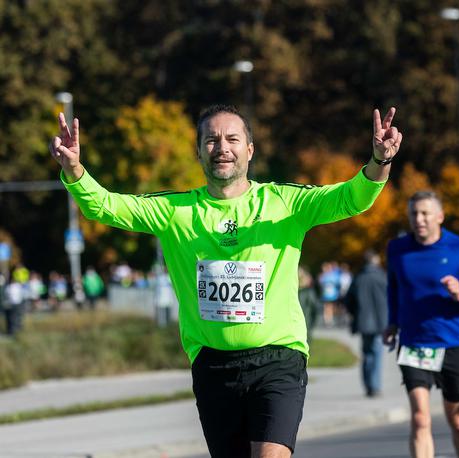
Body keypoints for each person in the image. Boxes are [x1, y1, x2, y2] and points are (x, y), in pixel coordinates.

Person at [49, 104, 402, 458]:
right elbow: (106, 207)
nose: (222, 148)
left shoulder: (286, 202)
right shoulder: (175, 211)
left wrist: (379, 161)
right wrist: (75, 170)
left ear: (249, 149)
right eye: (211, 140)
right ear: (199, 151)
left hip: (278, 358)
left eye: (232, 139)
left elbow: (349, 199)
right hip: (213, 365)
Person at [385, 191, 459, 458]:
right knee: (421, 418)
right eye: (414, 213)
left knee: (457, 419)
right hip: (413, 344)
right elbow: (393, 289)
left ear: (440, 216)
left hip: (452, 344)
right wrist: (391, 323)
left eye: (425, 213)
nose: (419, 219)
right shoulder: (397, 249)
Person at [345, 250, 388, 398]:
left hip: (363, 322)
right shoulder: (383, 277)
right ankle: (374, 386)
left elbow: (348, 300)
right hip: (380, 321)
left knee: (367, 353)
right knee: (376, 354)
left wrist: (355, 314)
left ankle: (369, 385)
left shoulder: (358, 278)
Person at [297, 266, 321, 344]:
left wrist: (313, 322)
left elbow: (316, 308)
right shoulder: (295, 292)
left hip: (306, 323)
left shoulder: (308, 293)